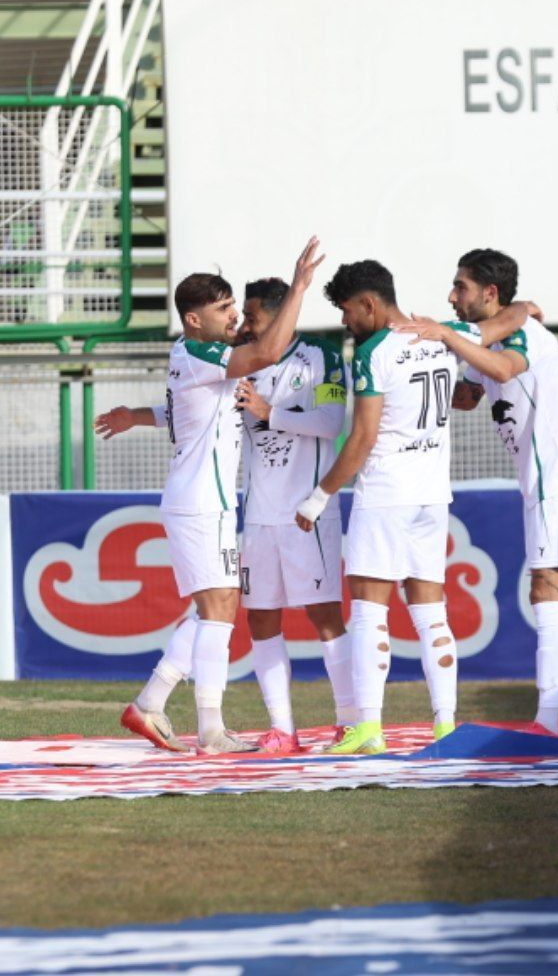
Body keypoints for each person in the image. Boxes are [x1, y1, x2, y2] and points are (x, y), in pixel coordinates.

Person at [95, 237, 324, 753]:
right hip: (202, 501)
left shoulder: (193, 354)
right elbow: (267, 352)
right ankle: (210, 729)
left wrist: (136, 416)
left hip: (200, 499)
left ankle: (152, 704)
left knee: (213, 608)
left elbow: (182, 410)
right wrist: (298, 289)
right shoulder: (200, 352)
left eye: (233, 305)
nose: (234, 314)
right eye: (223, 308)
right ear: (194, 320)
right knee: (219, 608)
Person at [295, 259, 534, 754]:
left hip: (386, 492)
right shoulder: (445, 334)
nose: (345, 322)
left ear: (369, 304)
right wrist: (527, 306)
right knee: (431, 613)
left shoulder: (373, 352)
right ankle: (445, 724)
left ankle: (368, 728)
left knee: (369, 611)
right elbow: (504, 322)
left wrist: (318, 497)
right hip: (432, 493)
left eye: (347, 311)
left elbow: (362, 439)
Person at [397, 248, 558, 736]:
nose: (452, 296)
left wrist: (446, 334)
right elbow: (466, 396)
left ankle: (547, 721)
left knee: (547, 593)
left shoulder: (523, 333)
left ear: (490, 293)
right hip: (546, 480)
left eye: (461, 286)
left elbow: (504, 370)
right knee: (557, 597)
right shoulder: (490, 336)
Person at [232, 277, 353, 753]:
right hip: (259, 516)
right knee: (261, 618)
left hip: (308, 512)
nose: (245, 325)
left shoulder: (322, 355)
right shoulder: (244, 360)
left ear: (281, 315)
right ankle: (283, 729)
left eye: (253, 317)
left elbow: (330, 423)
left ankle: (350, 721)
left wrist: (269, 412)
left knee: (324, 615)